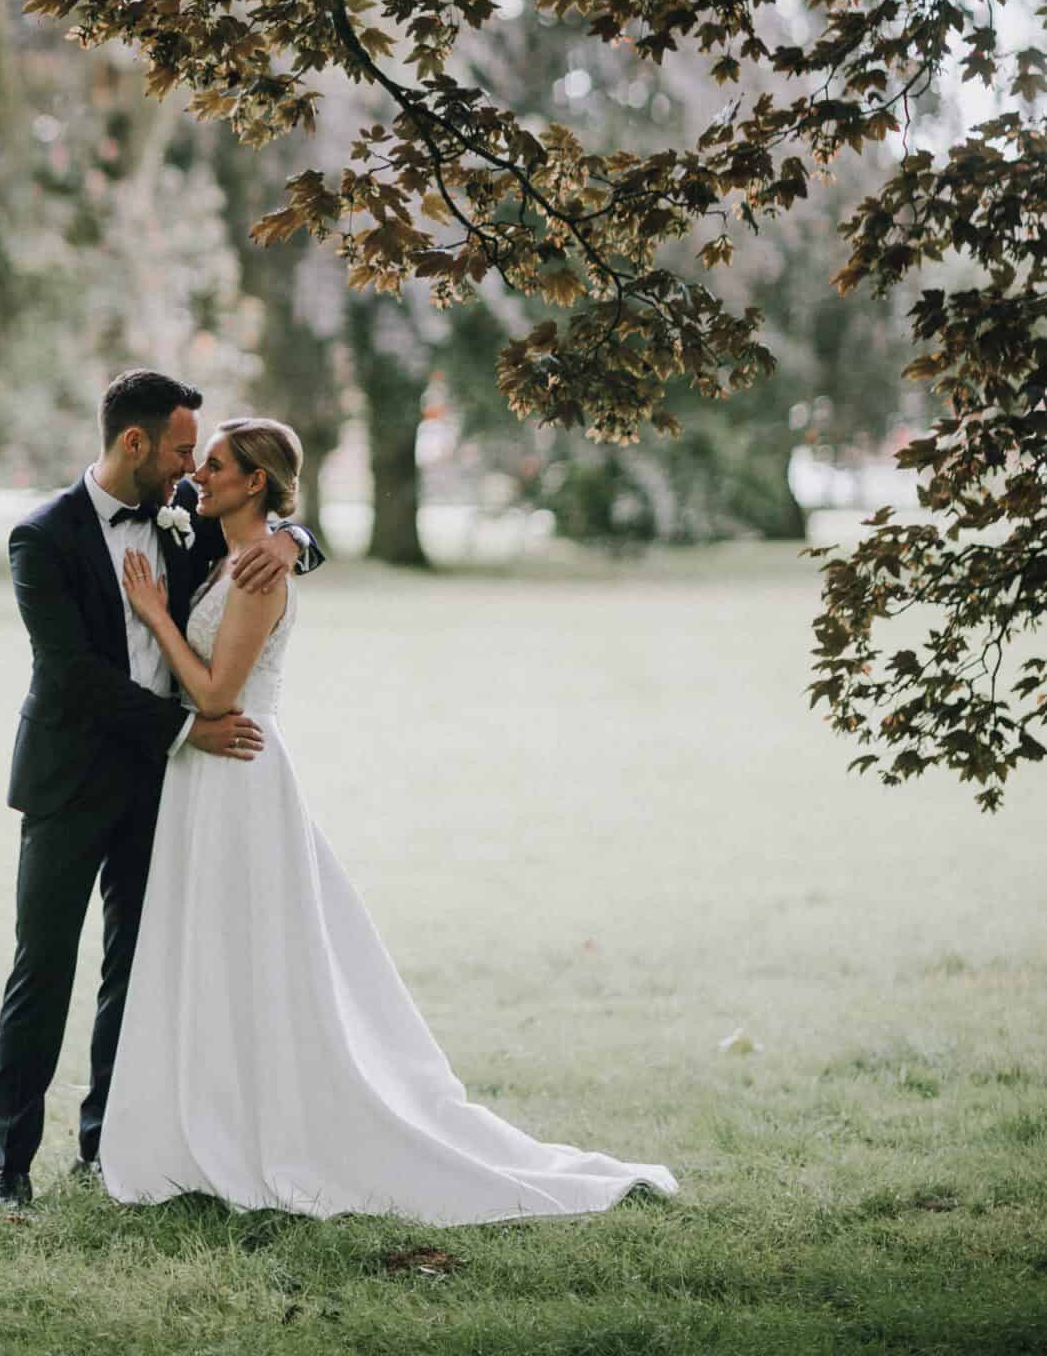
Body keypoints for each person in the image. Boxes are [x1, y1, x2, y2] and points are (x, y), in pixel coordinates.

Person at [101, 414, 680, 1225]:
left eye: (220, 464)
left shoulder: (262, 572)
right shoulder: (230, 552)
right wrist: (291, 537)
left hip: (237, 771)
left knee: (257, 953)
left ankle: (275, 1128)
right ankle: (211, 1118)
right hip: (202, 778)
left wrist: (156, 611)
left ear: (255, 482)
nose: (201, 473)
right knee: (215, 951)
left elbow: (219, 694)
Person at [0, 368, 323, 1213]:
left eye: (196, 458)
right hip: (71, 780)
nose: (186, 471)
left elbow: (261, 540)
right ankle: (10, 1168)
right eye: (178, 452)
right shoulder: (43, 538)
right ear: (133, 443)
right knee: (44, 968)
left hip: (164, 789)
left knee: (135, 974)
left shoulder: (183, 523)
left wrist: (299, 537)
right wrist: (183, 730)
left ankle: (105, 1148)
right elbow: (70, 678)